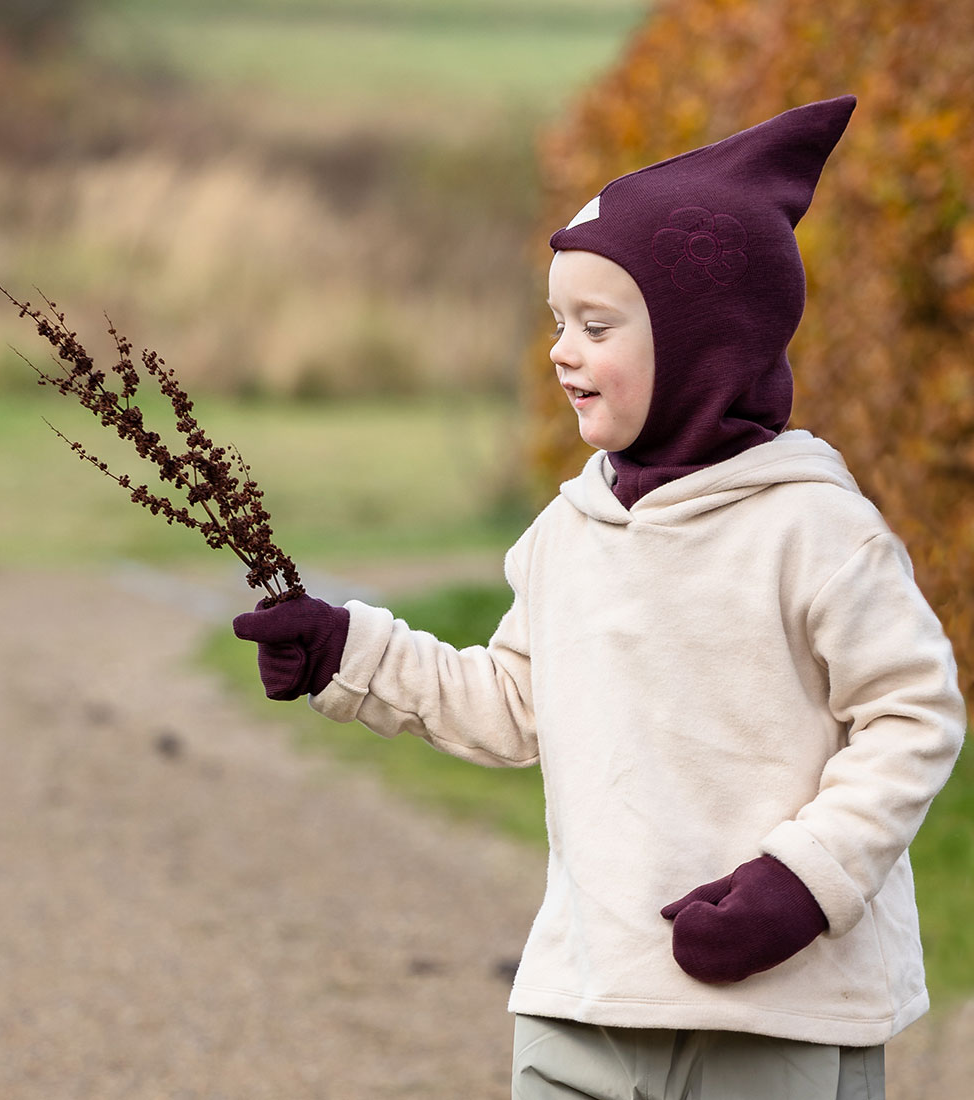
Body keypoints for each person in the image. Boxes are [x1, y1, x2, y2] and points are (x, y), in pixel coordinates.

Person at [233, 96, 966, 1100]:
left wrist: (805, 880)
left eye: (595, 324)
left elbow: (912, 712)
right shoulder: (569, 533)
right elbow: (511, 700)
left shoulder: (813, 531)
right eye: (555, 322)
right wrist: (348, 652)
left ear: (702, 343)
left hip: (774, 1007)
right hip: (586, 992)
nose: (562, 350)